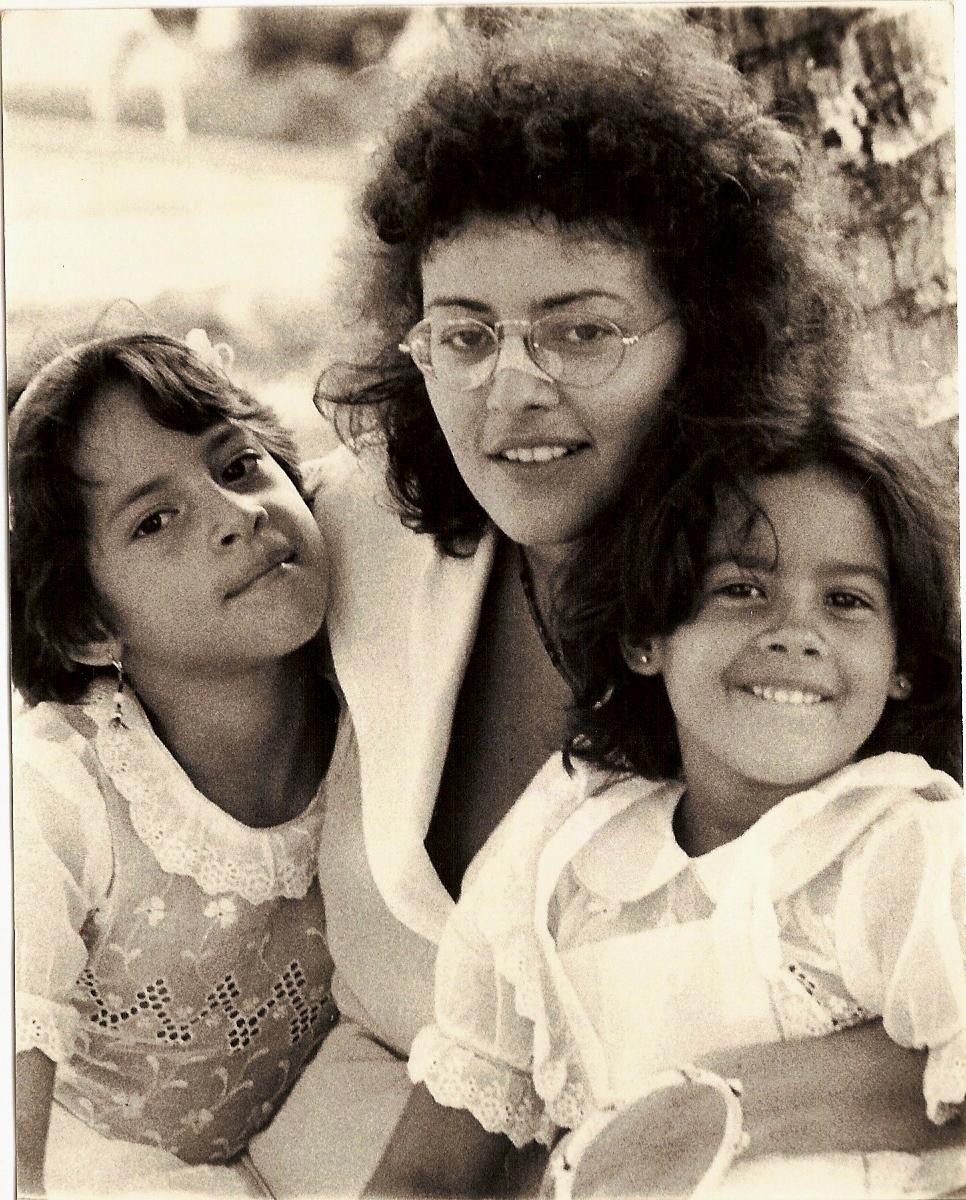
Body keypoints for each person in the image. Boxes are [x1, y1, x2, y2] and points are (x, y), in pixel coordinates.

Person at [247, 9, 963, 1197]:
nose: (511, 389)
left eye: (581, 331)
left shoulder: (838, 611)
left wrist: (702, 1105)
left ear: (713, 336)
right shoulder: (356, 538)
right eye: (464, 334)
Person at [367, 399, 963, 1197]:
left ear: (904, 664)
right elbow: (427, 1176)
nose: (797, 632)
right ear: (645, 636)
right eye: (742, 588)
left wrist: (698, 1107)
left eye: (847, 601)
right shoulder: (564, 851)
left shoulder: (911, 844)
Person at [10, 332, 340, 1198]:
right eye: (156, 520)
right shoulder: (57, 792)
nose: (238, 517)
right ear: (86, 626)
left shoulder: (373, 702)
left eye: (237, 466)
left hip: (316, 1146)